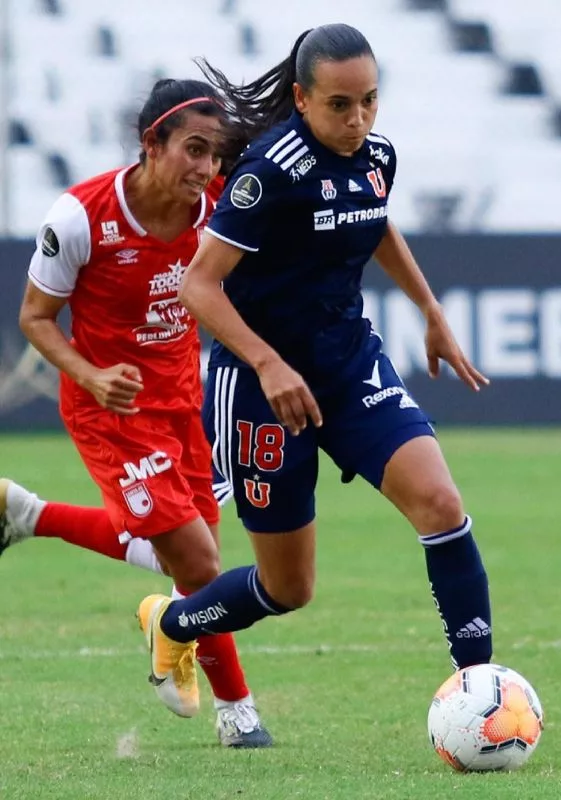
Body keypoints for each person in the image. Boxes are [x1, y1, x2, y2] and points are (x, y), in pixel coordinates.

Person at [128, 24, 493, 712]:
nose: (357, 121)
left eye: (369, 101)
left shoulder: (377, 154)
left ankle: (480, 691)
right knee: (287, 590)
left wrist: (429, 309)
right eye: (339, 105)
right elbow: (199, 287)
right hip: (263, 389)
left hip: (349, 366)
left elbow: (374, 217)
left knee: (442, 505)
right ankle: (171, 621)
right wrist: (268, 365)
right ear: (301, 98)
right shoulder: (267, 173)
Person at [1, 78, 272, 747]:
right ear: (153, 144)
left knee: (192, 563)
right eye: (194, 149)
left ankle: (29, 514)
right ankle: (239, 715)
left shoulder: (216, 208)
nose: (207, 168)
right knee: (202, 568)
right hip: (110, 413)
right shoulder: (80, 217)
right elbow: (35, 318)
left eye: (217, 154)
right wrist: (92, 375)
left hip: (185, 401)